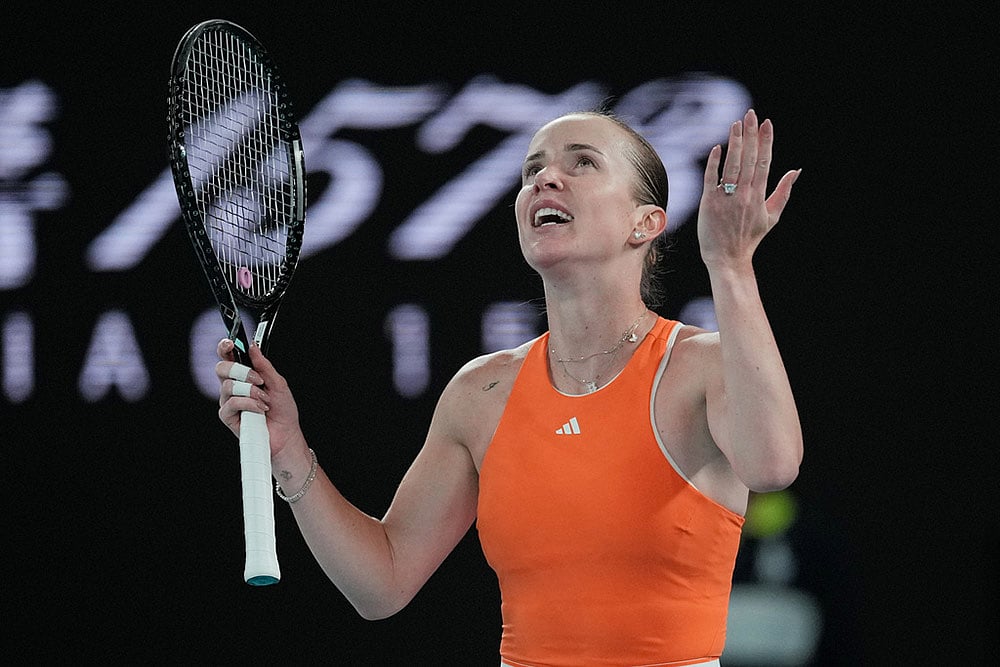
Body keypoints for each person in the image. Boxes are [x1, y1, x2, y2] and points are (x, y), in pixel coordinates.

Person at [216, 108, 803, 666]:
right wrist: (289, 452)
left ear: (645, 223)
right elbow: (382, 582)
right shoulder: (483, 392)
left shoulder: (700, 367)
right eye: (532, 170)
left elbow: (772, 464)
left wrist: (730, 265)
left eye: (582, 163)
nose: (546, 177)